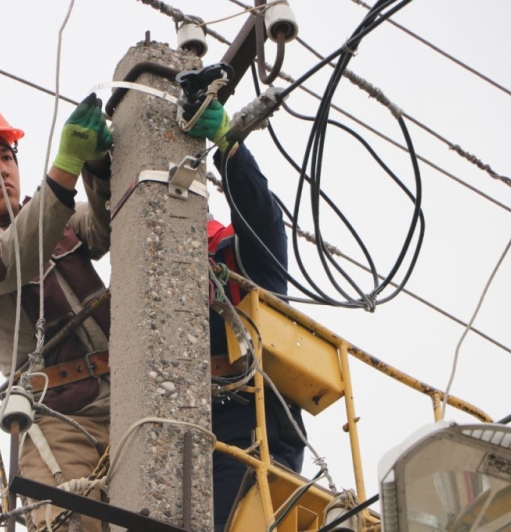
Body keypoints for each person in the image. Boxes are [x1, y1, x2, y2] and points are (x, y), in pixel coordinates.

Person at [0, 94, 114, 532]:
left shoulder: (60, 221)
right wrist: (66, 166)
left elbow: (110, 223)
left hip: (129, 395)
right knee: (74, 519)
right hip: (61, 420)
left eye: (7, 155)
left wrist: (100, 166)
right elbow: (11, 259)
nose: (2, 169)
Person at [179, 98, 307, 532]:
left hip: (252, 430)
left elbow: (261, 216)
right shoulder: (149, 285)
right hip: (183, 434)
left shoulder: (237, 253)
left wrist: (229, 147)